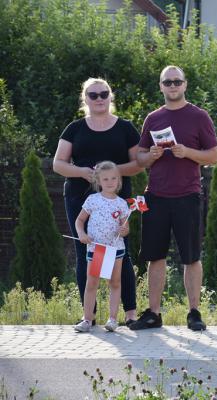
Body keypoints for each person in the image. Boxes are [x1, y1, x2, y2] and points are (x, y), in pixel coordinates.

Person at [131, 65, 217, 331]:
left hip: (187, 195)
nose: (172, 86)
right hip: (156, 195)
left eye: (176, 81)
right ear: (160, 86)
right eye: (167, 82)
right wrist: (152, 156)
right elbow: (139, 157)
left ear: (185, 85)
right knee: (154, 256)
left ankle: (194, 312)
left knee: (191, 257)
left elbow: (214, 156)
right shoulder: (153, 118)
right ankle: (153, 314)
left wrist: (188, 152)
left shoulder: (199, 116)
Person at [53, 78, 142, 326]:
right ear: (86, 99)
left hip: (117, 199)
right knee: (85, 254)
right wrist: (82, 172)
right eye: (93, 95)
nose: (99, 98)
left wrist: (109, 173)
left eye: (104, 94)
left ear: (111, 97)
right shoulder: (74, 128)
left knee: (121, 254)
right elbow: (58, 164)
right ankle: (88, 316)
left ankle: (130, 314)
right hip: (79, 197)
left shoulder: (125, 128)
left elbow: (137, 164)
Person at [73, 161, 130, 332]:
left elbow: (126, 229)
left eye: (114, 178)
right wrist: (81, 234)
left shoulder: (121, 203)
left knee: (114, 282)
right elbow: (79, 220)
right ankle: (87, 320)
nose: (110, 182)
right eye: (106, 179)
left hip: (115, 249)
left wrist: (124, 229)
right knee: (92, 283)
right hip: (97, 249)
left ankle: (112, 320)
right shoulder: (93, 200)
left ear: (119, 180)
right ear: (98, 181)